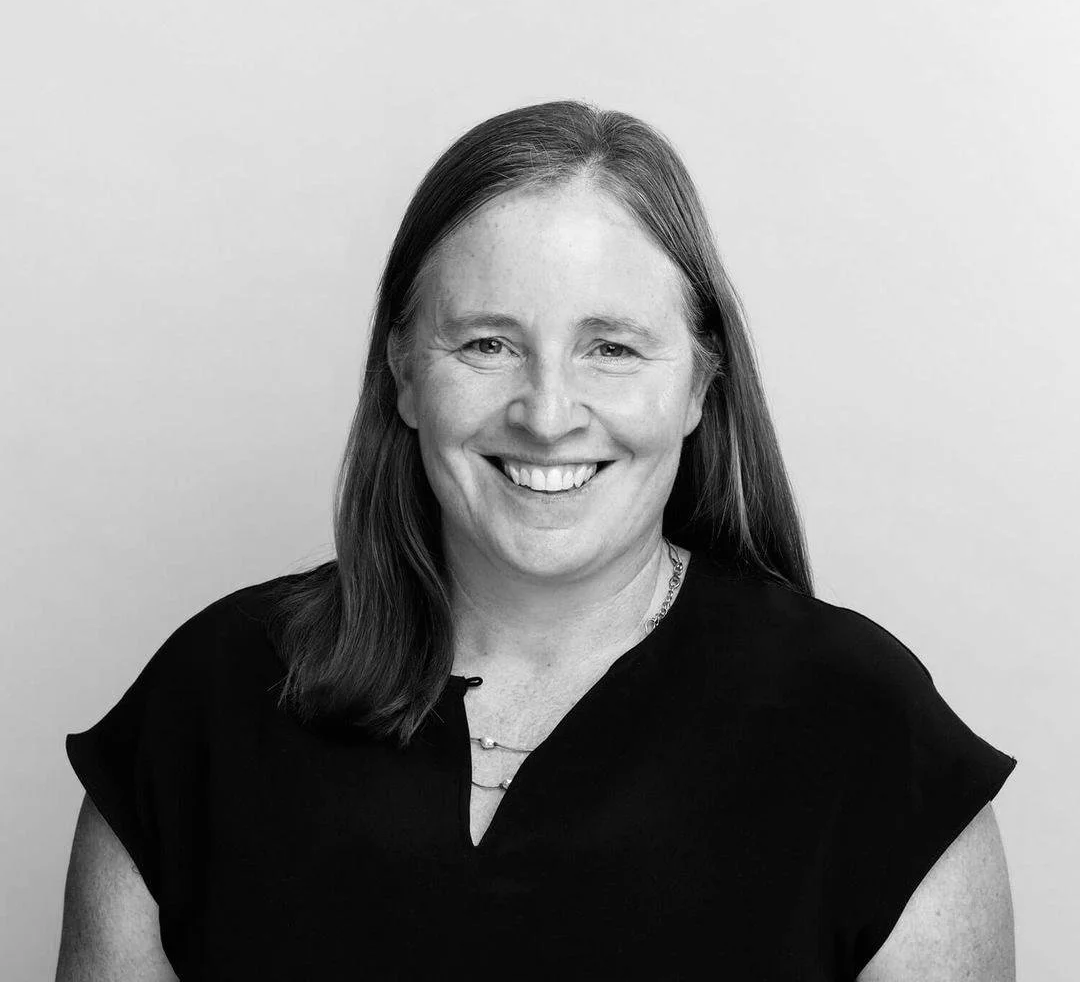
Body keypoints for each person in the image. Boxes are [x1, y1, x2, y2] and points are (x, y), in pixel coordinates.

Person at [57, 101, 1017, 981]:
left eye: (612, 347)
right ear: (401, 373)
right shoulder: (207, 706)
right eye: (487, 344)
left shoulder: (870, 740)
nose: (549, 413)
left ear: (698, 385)